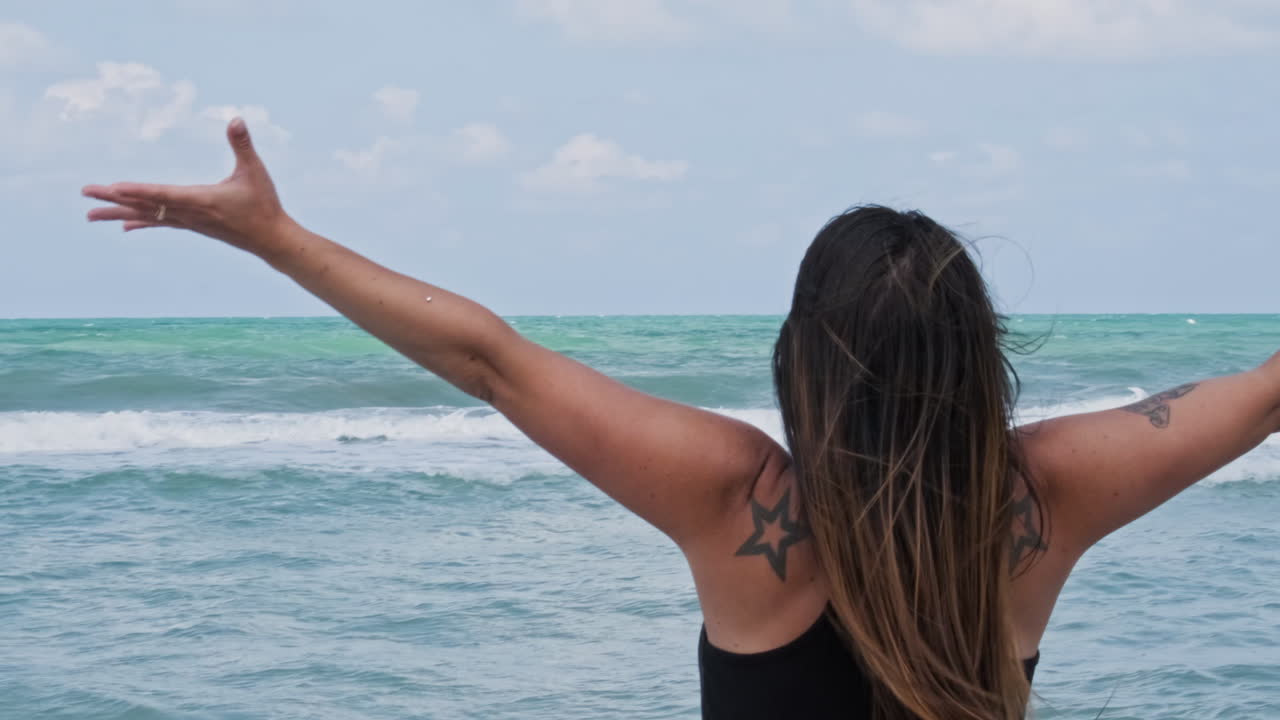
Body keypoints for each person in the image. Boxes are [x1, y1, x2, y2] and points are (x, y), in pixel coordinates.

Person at [83, 119, 1280, 720]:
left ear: (802, 356)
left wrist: (276, 239)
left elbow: (491, 360)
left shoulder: (735, 499)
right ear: (978, 361)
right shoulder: (1049, 494)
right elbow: (1267, 389)